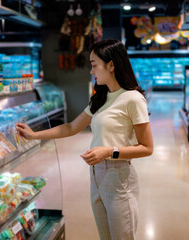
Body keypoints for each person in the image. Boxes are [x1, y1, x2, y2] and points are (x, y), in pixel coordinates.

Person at [16, 39, 153, 240]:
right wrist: (34, 135)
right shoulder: (101, 98)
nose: (91, 71)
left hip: (118, 177)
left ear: (112, 65)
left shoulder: (132, 98)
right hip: (96, 176)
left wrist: (109, 151)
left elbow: (147, 147)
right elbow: (72, 127)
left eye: (94, 64)